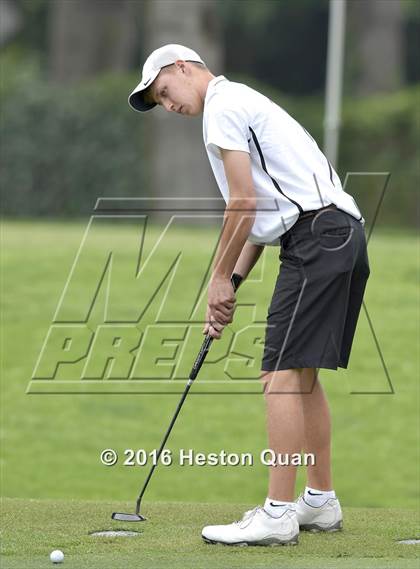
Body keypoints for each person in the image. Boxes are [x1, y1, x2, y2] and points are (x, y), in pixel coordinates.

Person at [128, 44, 370, 546]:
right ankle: (319, 502)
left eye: (164, 92)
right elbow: (261, 222)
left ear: (182, 67)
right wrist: (231, 285)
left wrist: (216, 279)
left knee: (278, 376)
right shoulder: (240, 102)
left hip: (316, 237)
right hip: (339, 234)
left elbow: (243, 202)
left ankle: (278, 514)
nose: (167, 104)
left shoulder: (222, 108)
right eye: (158, 102)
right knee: (300, 373)